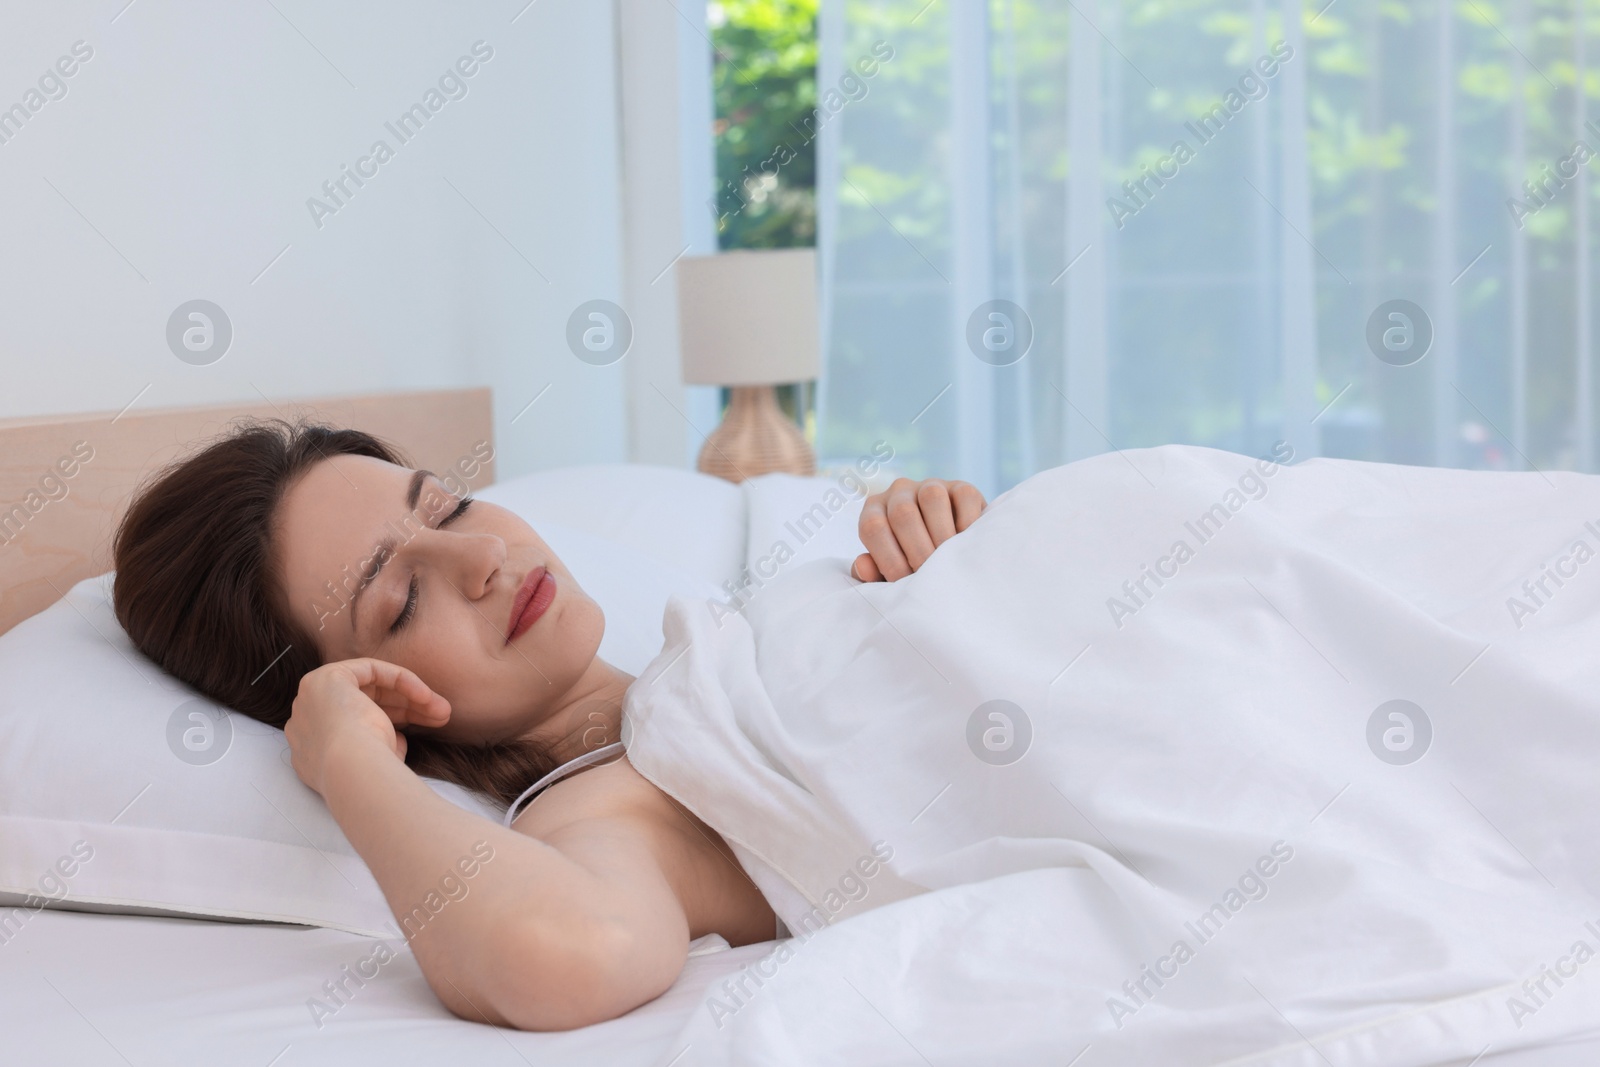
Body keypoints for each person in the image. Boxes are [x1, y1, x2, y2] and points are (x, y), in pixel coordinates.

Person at [111, 420, 987, 1031]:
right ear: (373, 689)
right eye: (403, 598)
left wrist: (954, 552)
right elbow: (571, 951)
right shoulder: (604, 808)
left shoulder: (708, 656)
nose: (483, 556)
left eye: (448, 507)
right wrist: (346, 758)